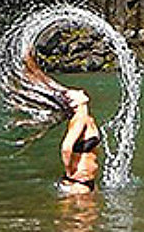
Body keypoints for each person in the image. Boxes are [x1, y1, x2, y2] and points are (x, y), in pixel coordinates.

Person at [23, 48, 100, 195]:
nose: (81, 91)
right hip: (78, 184)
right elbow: (66, 147)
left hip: (87, 182)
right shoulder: (80, 120)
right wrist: (70, 172)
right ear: (74, 103)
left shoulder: (87, 118)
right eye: (76, 92)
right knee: (75, 218)